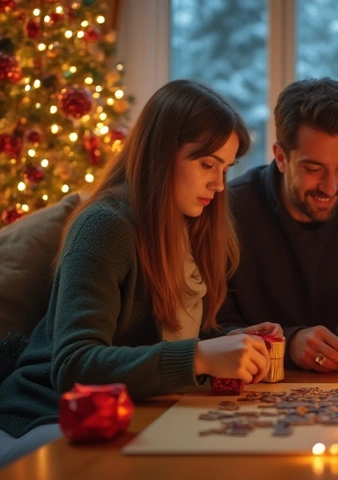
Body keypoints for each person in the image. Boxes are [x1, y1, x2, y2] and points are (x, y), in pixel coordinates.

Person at [0, 79, 281, 467]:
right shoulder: (104, 226)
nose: (218, 185)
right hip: (47, 413)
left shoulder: (189, 225)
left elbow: (166, 336)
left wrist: (232, 342)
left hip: (138, 407)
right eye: (206, 165)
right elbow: (74, 365)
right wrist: (199, 357)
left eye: (225, 169)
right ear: (162, 154)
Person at [217, 77, 338, 372]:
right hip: (253, 384)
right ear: (281, 157)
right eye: (314, 168)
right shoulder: (228, 210)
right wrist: (287, 342)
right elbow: (213, 328)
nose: (330, 187)